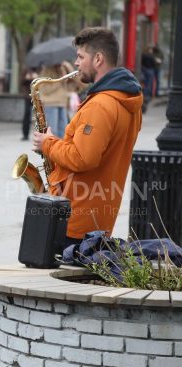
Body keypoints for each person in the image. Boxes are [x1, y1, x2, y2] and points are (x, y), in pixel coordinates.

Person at [32, 27, 143, 248]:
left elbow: (83, 158)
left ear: (98, 59)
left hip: (76, 218)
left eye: (81, 57)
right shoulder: (127, 100)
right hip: (96, 216)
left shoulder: (101, 105)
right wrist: (56, 145)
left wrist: (48, 144)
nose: (76, 63)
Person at [38, 61, 77, 138]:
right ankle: (51, 149)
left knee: (63, 131)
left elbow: (74, 84)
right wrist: (60, 81)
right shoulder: (46, 71)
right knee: (53, 132)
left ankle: (60, 149)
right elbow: (45, 90)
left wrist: (69, 68)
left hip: (62, 103)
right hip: (51, 104)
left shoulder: (63, 69)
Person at [20, 67, 38, 141]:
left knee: (38, 116)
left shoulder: (40, 69)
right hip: (28, 96)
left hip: (37, 96)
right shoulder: (26, 69)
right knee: (27, 114)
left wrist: (37, 77)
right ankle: (25, 134)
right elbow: (21, 82)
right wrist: (27, 78)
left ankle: (39, 135)